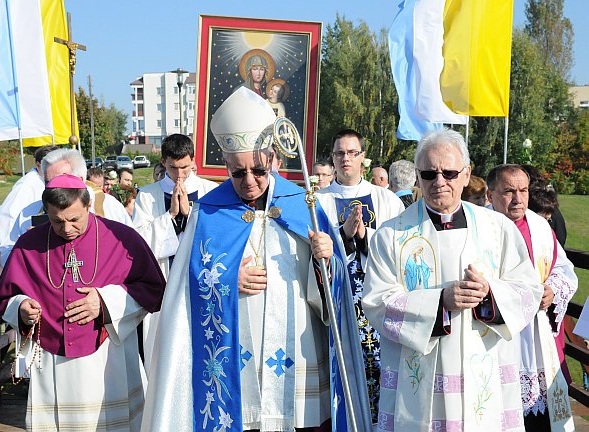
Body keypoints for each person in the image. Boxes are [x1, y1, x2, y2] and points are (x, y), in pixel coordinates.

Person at [141, 88, 369, 431]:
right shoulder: (209, 213)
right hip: (234, 362)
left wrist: (326, 261)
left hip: (300, 353)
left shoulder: (305, 204)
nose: (249, 182)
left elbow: (333, 292)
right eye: (237, 173)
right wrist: (226, 280)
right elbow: (183, 292)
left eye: (259, 171)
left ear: (274, 158)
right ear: (226, 165)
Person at [361, 128, 544, 431]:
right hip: (420, 381)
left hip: (482, 372)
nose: (440, 182)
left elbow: (527, 290)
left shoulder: (497, 229)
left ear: (466, 174)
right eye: (429, 174)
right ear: (418, 177)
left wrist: (489, 294)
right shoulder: (391, 234)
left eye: (449, 172)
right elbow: (377, 303)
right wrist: (439, 302)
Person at [0, 174, 166, 431]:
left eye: (74, 219)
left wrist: (105, 301)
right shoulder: (29, 244)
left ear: (88, 206)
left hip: (108, 355)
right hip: (52, 357)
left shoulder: (122, 238)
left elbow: (154, 289)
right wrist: (21, 307)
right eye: (57, 221)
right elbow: (3, 299)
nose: (67, 229)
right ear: (46, 212)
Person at [316, 129, 405, 423]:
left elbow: (398, 249)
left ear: (363, 158)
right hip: (340, 301)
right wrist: (343, 235)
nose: (345, 159)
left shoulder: (387, 201)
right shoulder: (319, 202)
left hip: (378, 300)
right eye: (339, 153)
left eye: (352, 153)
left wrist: (365, 236)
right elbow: (313, 253)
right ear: (333, 158)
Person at [487, 164, 575, 431]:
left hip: (533, 334)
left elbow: (564, 270)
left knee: (536, 417)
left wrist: (552, 290)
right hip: (496, 331)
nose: (518, 199)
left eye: (523, 190)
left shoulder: (539, 226)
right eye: (509, 191)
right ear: (490, 195)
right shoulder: (479, 226)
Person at [132, 133, 217, 369]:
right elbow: (139, 242)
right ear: (163, 161)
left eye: (185, 167)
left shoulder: (211, 191)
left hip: (200, 278)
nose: (179, 175)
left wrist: (190, 215)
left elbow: (217, 237)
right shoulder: (148, 195)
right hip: (164, 278)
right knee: (164, 354)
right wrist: (169, 217)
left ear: (193, 160)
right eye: (173, 168)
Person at [0, 145, 59, 266]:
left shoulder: (43, 183)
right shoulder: (27, 185)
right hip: (19, 250)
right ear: (38, 164)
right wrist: (11, 249)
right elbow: (8, 215)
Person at [41, 149, 134, 227]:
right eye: (47, 183)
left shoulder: (110, 206)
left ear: (80, 180)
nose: (51, 188)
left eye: (58, 182)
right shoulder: (41, 207)